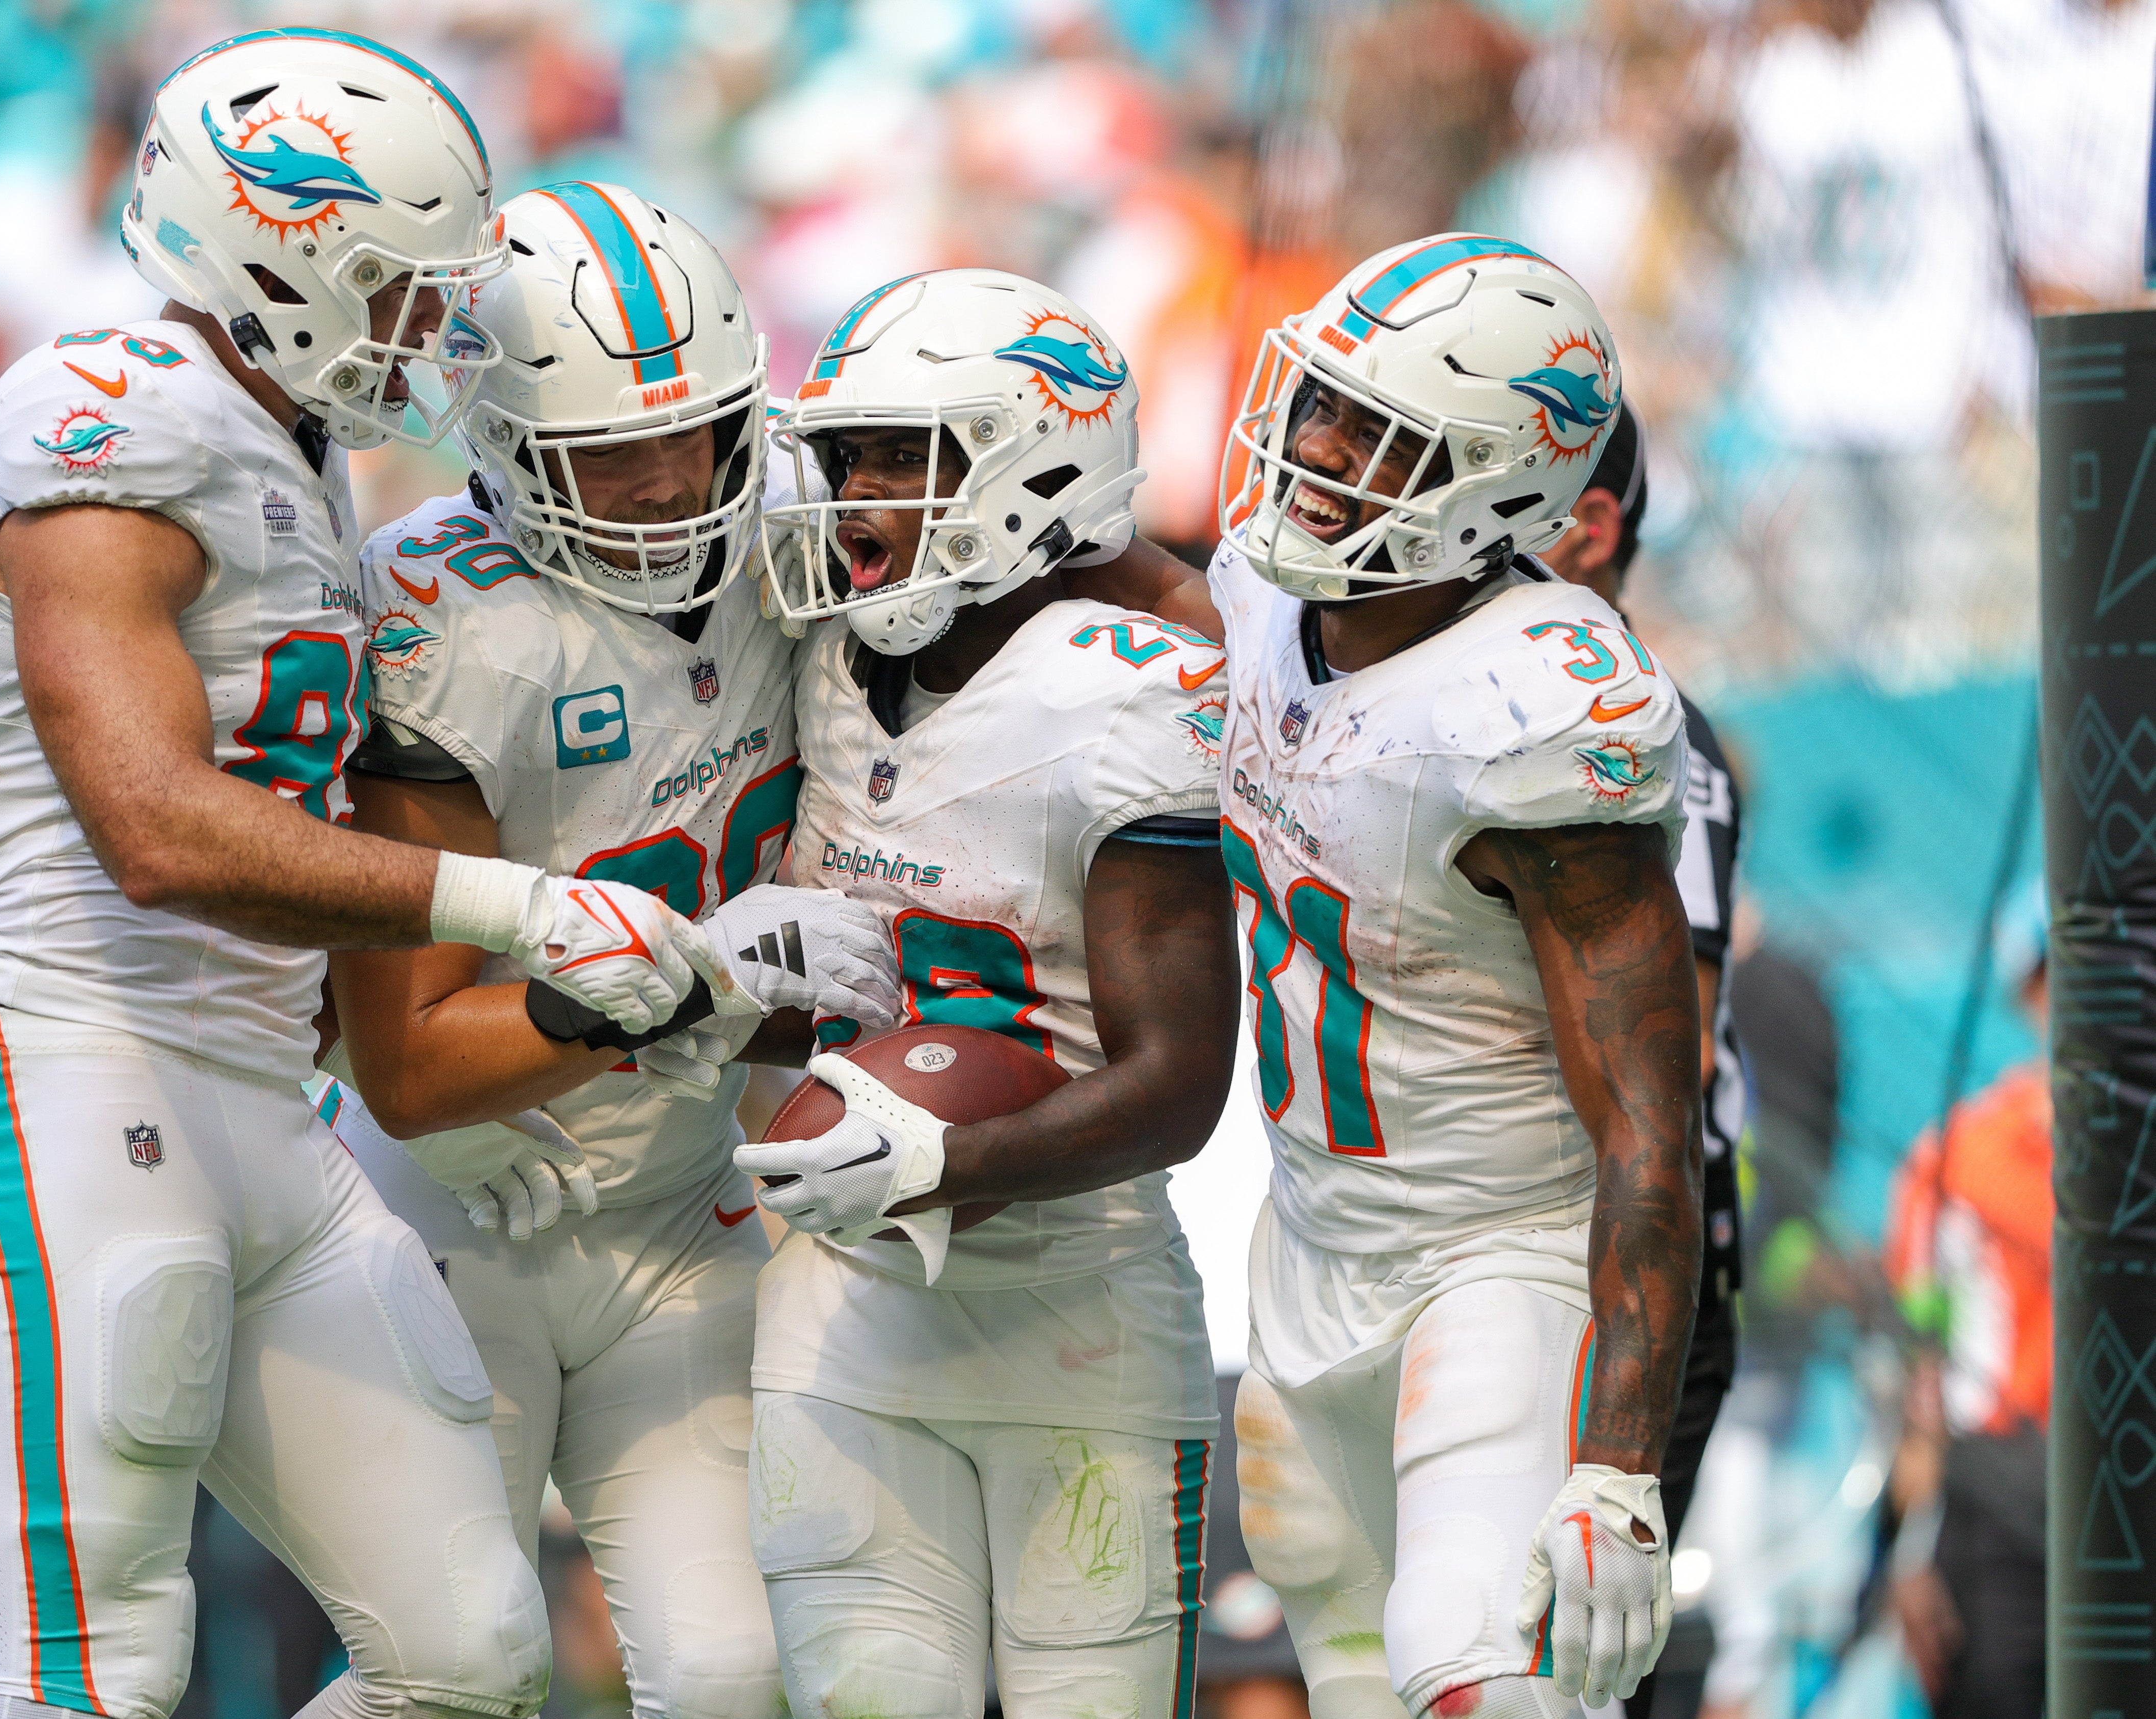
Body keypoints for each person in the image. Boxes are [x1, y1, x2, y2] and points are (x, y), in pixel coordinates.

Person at [0, 35, 734, 1719]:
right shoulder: (105, 413)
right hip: (71, 1068)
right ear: (266, 255)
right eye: (398, 291)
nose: (432, 334)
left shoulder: (294, 449)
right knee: (93, 1668)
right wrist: (509, 913)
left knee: (472, 1657)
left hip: (260, 1104)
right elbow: (156, 828)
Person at [316, 182, 903, 1719]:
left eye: (691, 432)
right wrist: (707, 973)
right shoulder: (448, 618)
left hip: (671, 1208)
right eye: (605, 451)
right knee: (447, 1683)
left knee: (740, 1672)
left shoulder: (800, 547)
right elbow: (411, 1066)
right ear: (505, 443)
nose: (659, 483)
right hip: (459, 1213)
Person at [734, 269, 1243, 1719]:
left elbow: (1178, 1086)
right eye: (845, 455)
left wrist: (944, 1159)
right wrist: (716, 983)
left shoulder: (1136, 686)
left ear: (1042, 461)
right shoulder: (827, 651)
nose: (859, 494)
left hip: (1076, 1314)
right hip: (840, 1305)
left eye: (906, 453)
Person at [1210, 235, 1705, 1719]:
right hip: (1306, 1255)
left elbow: (1644, 1125)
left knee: (1476, 1668)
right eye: (1319, 401)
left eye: (1375, 430)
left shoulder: (1538, 707)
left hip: (1498, 1260)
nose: (1313, 447)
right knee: (1360, 1684)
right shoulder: (1253, 591)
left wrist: (1619, 1461)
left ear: (1498, 481)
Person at [1537, 401, 1751, 1719]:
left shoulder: (1650, 737)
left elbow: (1663, 1057)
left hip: (1631, 1259)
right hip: (1491, 1246)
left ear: (1589, 527)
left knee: (1574, 1662)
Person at [1883, 931, 2051, 1719]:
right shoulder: (1959, 1156)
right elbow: (1924, 1369)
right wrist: (1910, 1554)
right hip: (1999, 1491)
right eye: (2059, 977)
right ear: (2032, 995)